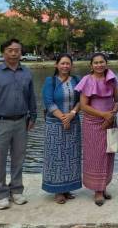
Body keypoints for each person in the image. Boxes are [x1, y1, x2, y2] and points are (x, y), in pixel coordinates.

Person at [0, 38, 37, 210]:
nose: (14, 53)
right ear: (4, 52)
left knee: (19, 159)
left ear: (21, 52)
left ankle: (16, 190)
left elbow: (31, 97)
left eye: (17, 50)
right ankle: (1, 194)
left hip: (21, 122)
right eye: (10, 50)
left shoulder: (26, 73)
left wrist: (33, 116)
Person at [75, 52, 118, 206]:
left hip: (110, 121)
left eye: (102, 62)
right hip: (93, 123)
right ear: (91, 65)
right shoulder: (87, 80)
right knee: (96, 156)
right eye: (96, 62)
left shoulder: (112, 79)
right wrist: (103, 115)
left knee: (108, 155)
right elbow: (84, 106)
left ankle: (104, 186)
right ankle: (97, 191)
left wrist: (111, 115)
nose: (99, 65)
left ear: (106, 63)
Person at [41, 53, 82, 204]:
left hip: (74, 123)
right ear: (56, 65)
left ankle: (67, 188)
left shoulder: (77, 80)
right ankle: (57, 191)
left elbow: (81, 101)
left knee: (71, 156)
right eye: (62, 63)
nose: (65, 66)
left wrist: (71, 114)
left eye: (68, 63)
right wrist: (63, 118)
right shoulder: (50, 81)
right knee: (56, 157)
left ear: (71, 65)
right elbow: (48, 102)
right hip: (55, 125)